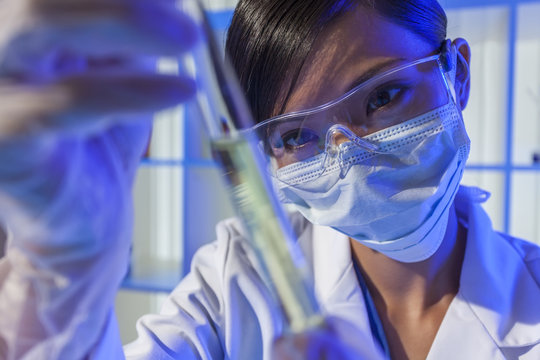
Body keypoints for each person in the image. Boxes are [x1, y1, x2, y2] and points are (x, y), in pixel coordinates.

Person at [0, 0, 539, 359]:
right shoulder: (233, 284)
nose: (346, 152)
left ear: (456, 74)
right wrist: (65, 284)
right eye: (295, 135)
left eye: (381, 97)